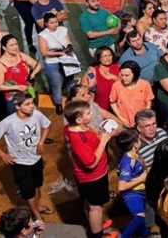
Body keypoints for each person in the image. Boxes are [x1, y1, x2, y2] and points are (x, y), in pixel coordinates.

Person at [0, 92, 53, 223]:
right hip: (20, 162)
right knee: (28, 191)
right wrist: (2, 154)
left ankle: (37, 206)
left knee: (37, 184)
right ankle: (37, 216)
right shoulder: (8, 122)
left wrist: (41, 142)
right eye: (27, 104)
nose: (31, 107)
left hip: (36, 158)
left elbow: (47, 126)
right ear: (17, 106)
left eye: (32, 103)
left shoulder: (36, 114)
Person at [62, 100, 114, 238]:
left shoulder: (69, 128)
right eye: (88, 113)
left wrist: (97, 135)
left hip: (81, 175)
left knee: (88, 203)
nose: (91, 115)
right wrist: (103, 141)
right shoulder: (80, 139)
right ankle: (97, 235)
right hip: (93, 178)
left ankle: (95, 225)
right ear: (79, 119)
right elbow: (90, 163)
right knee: (95, 208)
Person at [0, 35, 42, 116]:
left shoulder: (21, 56)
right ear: (4, 47)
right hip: (14, 98)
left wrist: (33, 73)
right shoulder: (0, 66)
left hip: (30, 91)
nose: (15, 47)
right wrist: (17, 87)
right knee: (18, 119)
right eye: (12, 45)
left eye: (16, 44)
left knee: (34, 114)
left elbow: (37, 65)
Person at [38, 13, 74, 115]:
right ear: (46, 23)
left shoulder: (63, 30)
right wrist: (59, 52)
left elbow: (68, 41)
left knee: (70, 82)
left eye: (56, 22)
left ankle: (72, 100)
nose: (55, 24)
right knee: (57, 84)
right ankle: (58, 103)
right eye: (52, 23)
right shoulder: (43, 35)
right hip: (52, 63)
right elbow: (44, 52)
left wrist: (70, 46)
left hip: (66, 60)